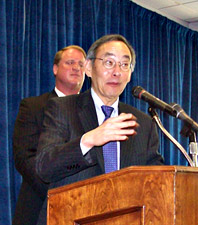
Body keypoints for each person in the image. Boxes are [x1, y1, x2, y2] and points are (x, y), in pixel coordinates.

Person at [35, 34, 164, 225]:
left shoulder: (142, 123)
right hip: (71, 218)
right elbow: (44, 168)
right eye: (109, 62)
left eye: (124, 65)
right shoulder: (62, 108)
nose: (117, 72)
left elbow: (156, 178)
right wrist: (87, 141)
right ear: (88, 67)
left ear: (130, 74)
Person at [12, 45, 86, 225]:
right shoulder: (33, 106)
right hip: (39, 206)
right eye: (70, 63)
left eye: (81, 64)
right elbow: (24, 158)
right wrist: (60, 193)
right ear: (55, 69)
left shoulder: (93, 113)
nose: (76, 68)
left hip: (85, 208)